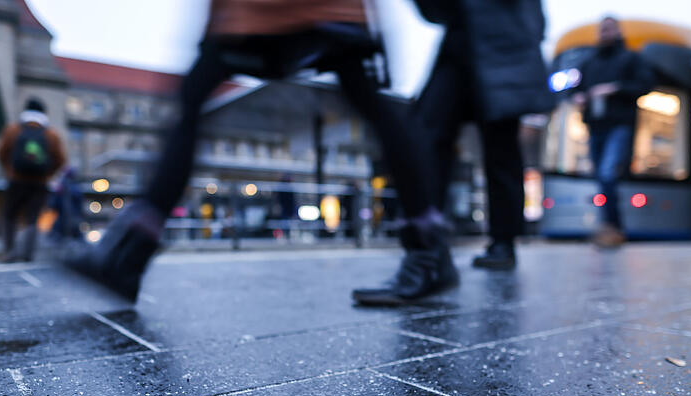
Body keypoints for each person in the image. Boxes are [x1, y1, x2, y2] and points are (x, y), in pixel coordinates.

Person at [66, 0, 456, 305]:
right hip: (313, 14)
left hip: (265, 15)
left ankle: (131, 253)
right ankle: (428, 247)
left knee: (194, 98)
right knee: (371, 104)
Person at [406, 0, 554, 271]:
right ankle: (428, 242)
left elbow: (536, 21)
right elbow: (434, 11)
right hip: (460, 44)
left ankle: (503, 241)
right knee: (428, 139)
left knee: (500, 150)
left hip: (502, 48)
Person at [572, 16, 653, 247]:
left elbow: (645, 85)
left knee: (607, 174)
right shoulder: (589, 62)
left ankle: (612, 227)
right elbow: (577, 89)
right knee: (602, 177)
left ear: (618, 31)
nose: (605, 33)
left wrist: (615, 89)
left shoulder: (631, 59)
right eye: (602, 29)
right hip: (595, 126)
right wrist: (579, 96)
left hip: (619, 125)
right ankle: (611, 227)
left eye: (609, 29)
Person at [0, 98, 66, 262]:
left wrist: (10, 171)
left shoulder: (13, 130)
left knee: (9, 215)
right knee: (32, 218)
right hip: (40, 183)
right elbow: (61, 159)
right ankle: (28, 254)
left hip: (16, 181)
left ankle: (10, 252)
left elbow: (1, 153)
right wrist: (47, 175)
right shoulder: (51, 134)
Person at [49, 167, 83, 242]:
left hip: (65, 219)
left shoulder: (61, 188)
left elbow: (53, 205)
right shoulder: (76, 189)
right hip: (69, 219)